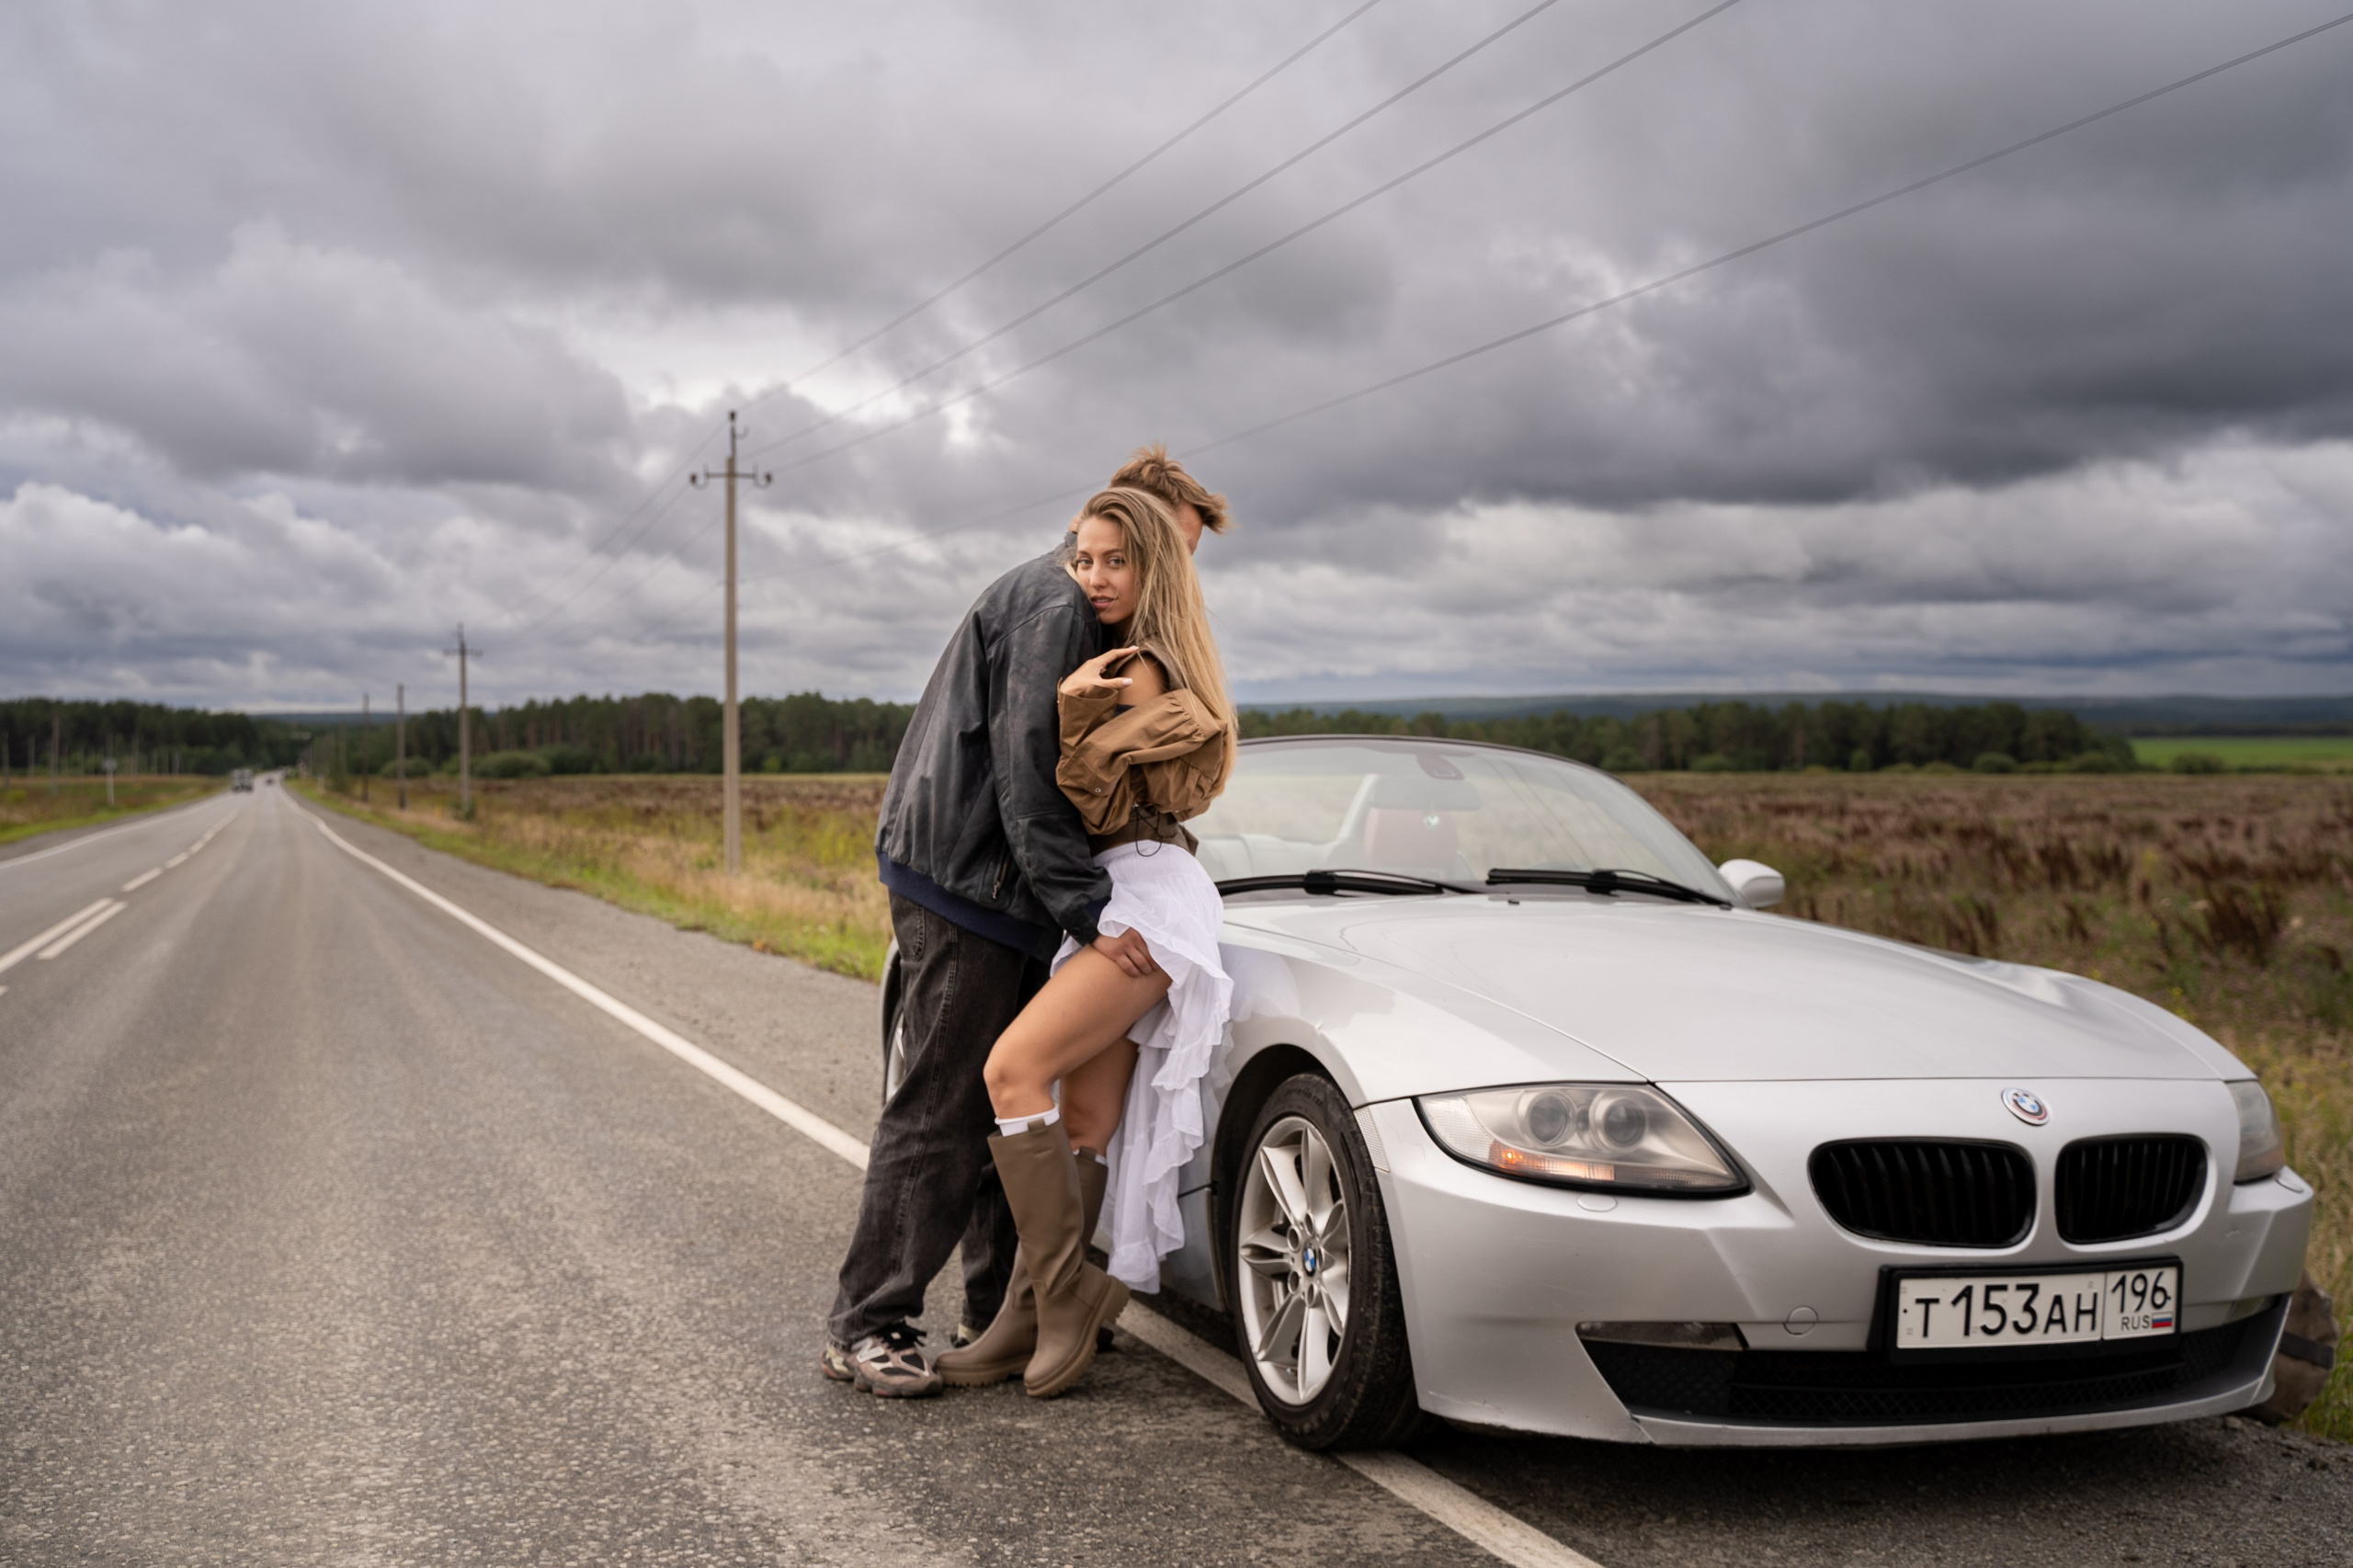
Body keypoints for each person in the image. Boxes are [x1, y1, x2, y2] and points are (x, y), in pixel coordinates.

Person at [822, 447, 1229, 1398]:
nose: (1174, 571)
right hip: (969, 881)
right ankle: (867, 1322)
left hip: (1004, 884)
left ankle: (1001, 1308)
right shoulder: (1057, 605)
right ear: (1120, 517)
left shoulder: (1080, 607)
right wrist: (1089, 911)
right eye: (1165, 548)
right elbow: (1025, 777)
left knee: (1014, 1093)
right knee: (944, 1102)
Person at [934, 486, 1236, 1399]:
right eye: (1084, 559)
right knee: (1083, 1122)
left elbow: (1091, 802)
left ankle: (1064, 1297)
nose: (1095, 577)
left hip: (1141, 894)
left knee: (1011, 1071)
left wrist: (1068, 708)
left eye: (1117, 561)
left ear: (1153, 567)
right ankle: (1026, 1312)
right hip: (1126, 887)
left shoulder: (1133, 670)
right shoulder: (1119, 656)